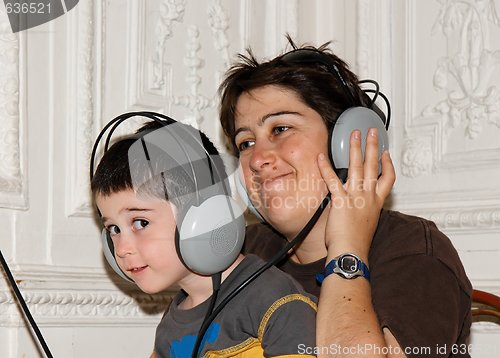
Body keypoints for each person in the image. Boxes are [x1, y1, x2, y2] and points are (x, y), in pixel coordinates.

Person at [218, 37, 472, 357]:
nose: (257, 160)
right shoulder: (239, 253)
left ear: (347, 141)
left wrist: (347, 249)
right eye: (246, 143)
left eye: (280, 129)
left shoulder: (415, 251)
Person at [90, 119, 318, 357]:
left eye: (140, 223)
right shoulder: (171, 325)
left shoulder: (273, 299)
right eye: (114, 229)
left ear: (204, 218)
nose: (122, 249)